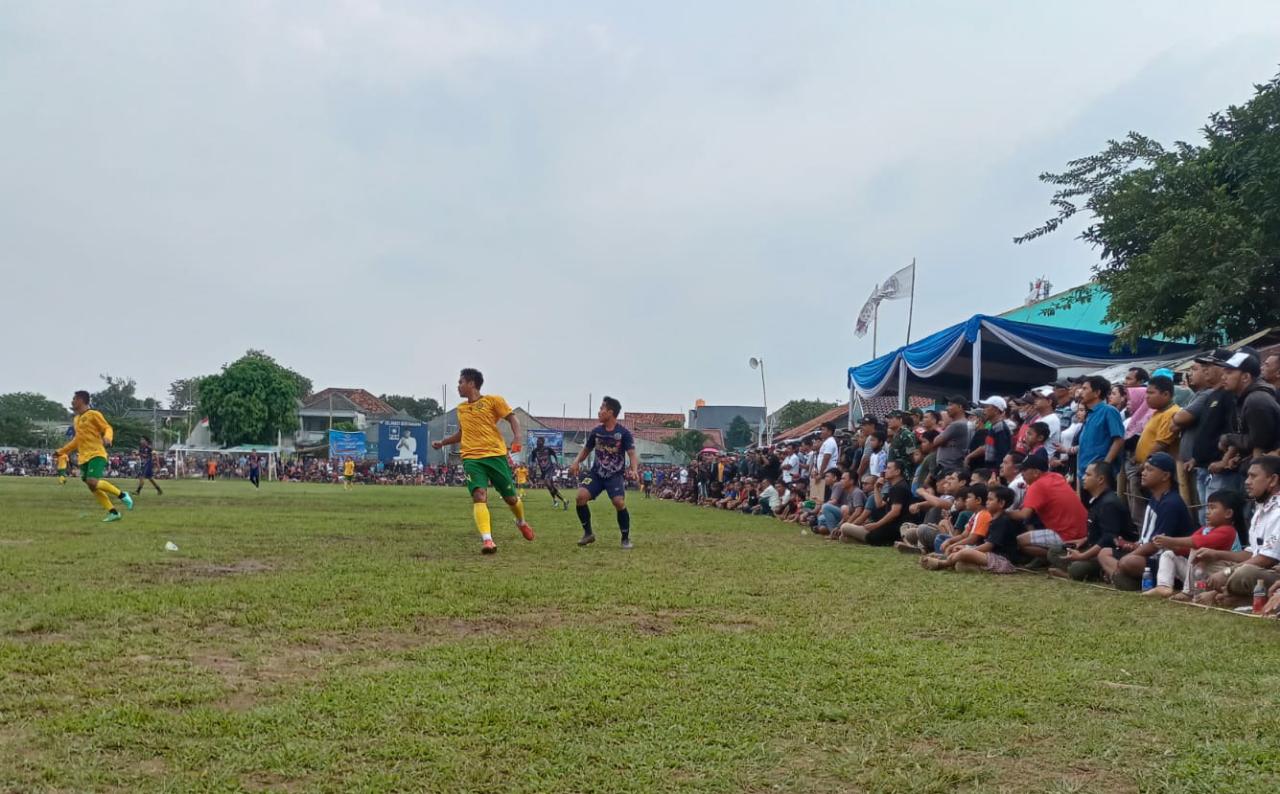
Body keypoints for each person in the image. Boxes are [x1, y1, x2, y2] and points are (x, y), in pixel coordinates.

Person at [430, 368, 535, 555]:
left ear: (472, 384)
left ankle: (521, 522)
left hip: (495, 455)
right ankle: (488, 540)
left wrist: (517, 438)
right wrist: (443, 442)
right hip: (471, 458)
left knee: (511, 498)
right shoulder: (461, 409)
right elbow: (462, 434)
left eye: (460, 382)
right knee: (479, 495)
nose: (458, 386)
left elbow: (513, 419)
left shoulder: (493, 401)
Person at [1193, 456, 1280, 608]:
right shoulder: (1260, 510)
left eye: (1253, 476)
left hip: (1272, 574)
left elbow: (1266, 560)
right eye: (1247, 476)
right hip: (1256, 569)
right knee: (1206, 561)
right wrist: (1216, 554)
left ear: (1272, 480)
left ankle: (1221, 595)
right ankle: (1238, 597)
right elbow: (1251, 553)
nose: (1247, 481)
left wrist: (1226, 573)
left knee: (1244, 573)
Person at [1109, 452, 1195, 590]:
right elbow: (1147, 540)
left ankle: (1134, 578)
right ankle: (1123, 576)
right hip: (1149, 555)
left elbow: (1157, 544)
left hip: (1167, 559)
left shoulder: (1171, 503)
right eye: (1144, 469)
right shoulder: (1155, 497)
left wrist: (1132, 554)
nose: (1143, 473)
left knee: (1128, 561)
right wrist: (1134, 545)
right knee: (1104, 553)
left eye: (1149, 469)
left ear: (1165, 476)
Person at [1147, 490, 1246, 599]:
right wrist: (1166, 544)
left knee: (1197, 551)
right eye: (1208, 508)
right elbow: (1185, 548)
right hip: (1199, 579)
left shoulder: (1228, 531)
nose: (1208, 512)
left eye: (1213, 508)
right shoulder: (1205, 529)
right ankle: (1164, 586)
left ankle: (1188, 592)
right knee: (1169, 554)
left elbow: (1197, 543)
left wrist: (1170, 540)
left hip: (1217, 579)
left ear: (1228, 513)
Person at [569, 397, 640, 549]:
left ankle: (625, 538)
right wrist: (576, 462)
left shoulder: (623, 433)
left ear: (610, 412)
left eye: (602, 409)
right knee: (580, 497)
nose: (599, 412)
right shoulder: (596, 432)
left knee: (618, 502)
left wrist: (634, 470)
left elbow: (632, 454)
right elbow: (586, 450)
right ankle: (588, 534)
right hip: (596, 474)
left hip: (614, 475)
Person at [54, 390, 134, 523]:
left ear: (81, 400)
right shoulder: (76, 419)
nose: (72, 401)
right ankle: (113, 512)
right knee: (92, 486)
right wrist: (61, 451)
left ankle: (123, 494)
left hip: (97, 453)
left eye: (74, 399)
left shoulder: (94, 414)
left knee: (92, 481)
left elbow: (107, 427)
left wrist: (108, 437)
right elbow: (77, 441)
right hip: (84, 457)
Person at [1049, 461, 1135, 581]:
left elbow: (1108, 539)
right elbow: (1100, 531)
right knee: (1054, 551)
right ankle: (1078, 571)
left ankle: (1097, 572)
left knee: (1077, 568)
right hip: (1092, 547)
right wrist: (1083, 540)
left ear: (1100, 479)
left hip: (1109, 553)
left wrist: (1082, 556)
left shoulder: (1109, 504)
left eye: (1088, 475)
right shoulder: (1097, 500)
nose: (1083, 478)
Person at [920, 486, 1021, 574]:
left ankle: (944, 563)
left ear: (1001, 503)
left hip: (1002, 560)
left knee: (965, 553)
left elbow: (988, 545)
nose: (987, 502)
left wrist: (968, 549)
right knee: (960, 551)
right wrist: (961, 547)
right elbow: (970, 538)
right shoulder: (993, 519)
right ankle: (967, 565)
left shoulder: (1002, 521)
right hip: (989, 556)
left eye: (990, 500)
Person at [1010, 453, 1087, 560]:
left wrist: (1003, 512)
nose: (1021, 473)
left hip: (1066, 534)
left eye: (1024, 470)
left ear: (1036, 472)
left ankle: (1056, 556)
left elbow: (1024, 515)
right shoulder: (1056, 476)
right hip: (1083, 531)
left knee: (1020, 541)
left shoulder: (1037, 485)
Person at [837, 459, 912, 546]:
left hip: (892, 529)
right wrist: (876, 487)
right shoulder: (896, 487)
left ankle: (876, 540)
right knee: (843, 537)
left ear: (897, 472)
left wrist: (876, 525)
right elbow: (879, 504)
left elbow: (895, 512)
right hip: (887, 527)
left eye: (888, 468)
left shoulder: (899, 488)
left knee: (845, 527)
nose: (885, 471)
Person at [1076, 375, 1126, 487]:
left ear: (1097, 392)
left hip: (1099, 476)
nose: (1080, 393)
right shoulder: (1089, 413)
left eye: (1085, 389)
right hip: (1084, 473)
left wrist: (1105, 466)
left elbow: (1119, 440)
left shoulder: (1109, 411)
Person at [529, 437, 568, 509]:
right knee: (550, 487)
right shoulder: (534, 451)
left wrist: (557, 462)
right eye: (537, 441)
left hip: (550, 468)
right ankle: (562, 500)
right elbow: (532, 460)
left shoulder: (547, 449)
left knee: (547, 483)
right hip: (543, 471)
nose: (538, 443)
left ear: (542, 443)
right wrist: (532, 468)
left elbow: (554, 454)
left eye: (539, 442)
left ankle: (558, 500)